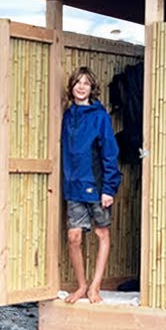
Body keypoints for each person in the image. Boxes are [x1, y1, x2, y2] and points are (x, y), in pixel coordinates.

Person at [61, 66, 120, 304]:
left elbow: (110, 152)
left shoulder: (100, 117)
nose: (81, 87)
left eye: (86, 83)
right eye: (77, 82)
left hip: (96, 186)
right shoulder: (67, 116)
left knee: (101, 233)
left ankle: (95, 286)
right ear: (72, 87)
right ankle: (82, 286)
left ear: (91, 88)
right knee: (74, 237)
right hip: (73, 187)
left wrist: (109, 188)